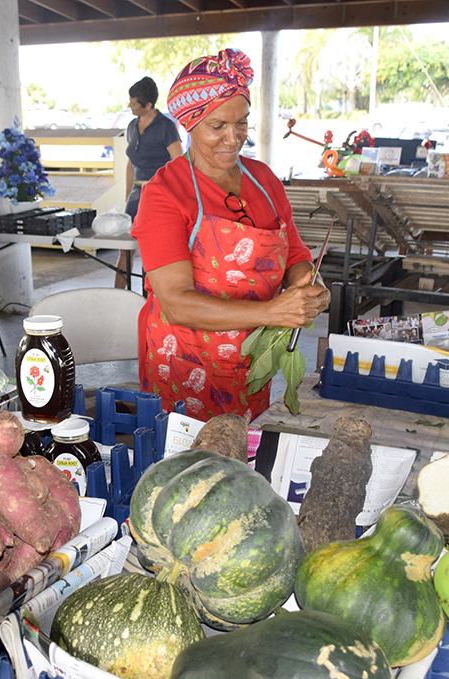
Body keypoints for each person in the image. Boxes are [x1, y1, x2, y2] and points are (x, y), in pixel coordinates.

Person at [131, 49, 329, 420]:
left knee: (246, 462)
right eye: (217, 126)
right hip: (185, 368)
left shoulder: (265, 180)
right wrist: (273, 311)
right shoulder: (165, 192)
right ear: (190, 124)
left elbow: (296, 255)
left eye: (242, 123)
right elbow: (176, 302)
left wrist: (309, 287)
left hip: (252, 365)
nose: (233, 138)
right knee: (187, 469)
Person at [119, 76, 183, 288]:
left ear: (147, 104)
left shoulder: (166, 126)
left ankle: (153, 302)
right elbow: (130, 165)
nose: (130, 105)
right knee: (125, 248)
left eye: (133, 102)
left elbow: (179, 164)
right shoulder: (131, 125)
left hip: (159, 194)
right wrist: (127, 196)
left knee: (152, 252)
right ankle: (117, 296)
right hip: (137, 193)